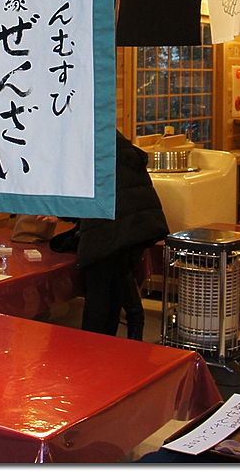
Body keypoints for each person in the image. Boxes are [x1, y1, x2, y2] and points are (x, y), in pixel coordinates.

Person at [55, 131, 169, 339]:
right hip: (135, 227)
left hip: (110, 229)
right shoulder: (109, 137)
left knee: (99, 294)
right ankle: (112, 350)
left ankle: (94, 350)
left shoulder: (85, 141)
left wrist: (59, 212)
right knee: (115, 288)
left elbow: (85, 191)